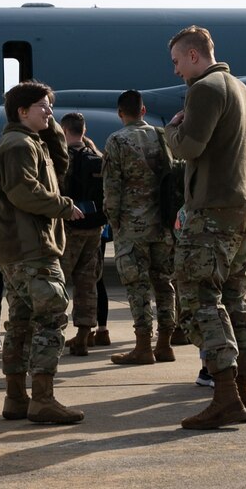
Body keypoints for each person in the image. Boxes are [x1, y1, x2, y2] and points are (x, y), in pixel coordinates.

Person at [163, 25, 246, 429]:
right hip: (245, 205)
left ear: (193, 56)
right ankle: (242, 393)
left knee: (196, 296)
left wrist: (171, 129)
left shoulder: (204, 89)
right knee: (236, 297)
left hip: (213, 210)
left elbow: (188, 147)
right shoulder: (245, 91)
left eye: (176, 62)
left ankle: (223, 393)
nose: (175, 72)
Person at [0, 81, 86, 426]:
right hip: (31, 248)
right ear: (21, 112)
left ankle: (16, 398)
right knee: (52, 317)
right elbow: (24, 192)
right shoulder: (18, 145)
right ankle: (42, 399)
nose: (49, 112)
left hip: (20, 248)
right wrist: (63, 206)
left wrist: (51, 127)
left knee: (21, 322)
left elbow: (59, 168)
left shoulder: (29, 142)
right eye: (43, 107)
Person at [102, 90, 178, 365]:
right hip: (163, 224)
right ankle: (165, 344)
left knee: (138, 287)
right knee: (164, 283)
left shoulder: (117, 140)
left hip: (132, 227)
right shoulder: (162, 136)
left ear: (121, 113)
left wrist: (113, 221)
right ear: (143, 110)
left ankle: (143, 347)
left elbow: (112, 187)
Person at [56, 112, 107, 355]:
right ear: (83, 130)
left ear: (65, 131)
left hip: (69, 228)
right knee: (88, 283)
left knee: (58, 282)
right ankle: (84, 336)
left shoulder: (61, 159)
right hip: (94, 228)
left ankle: (54, 333)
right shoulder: (98, 157)